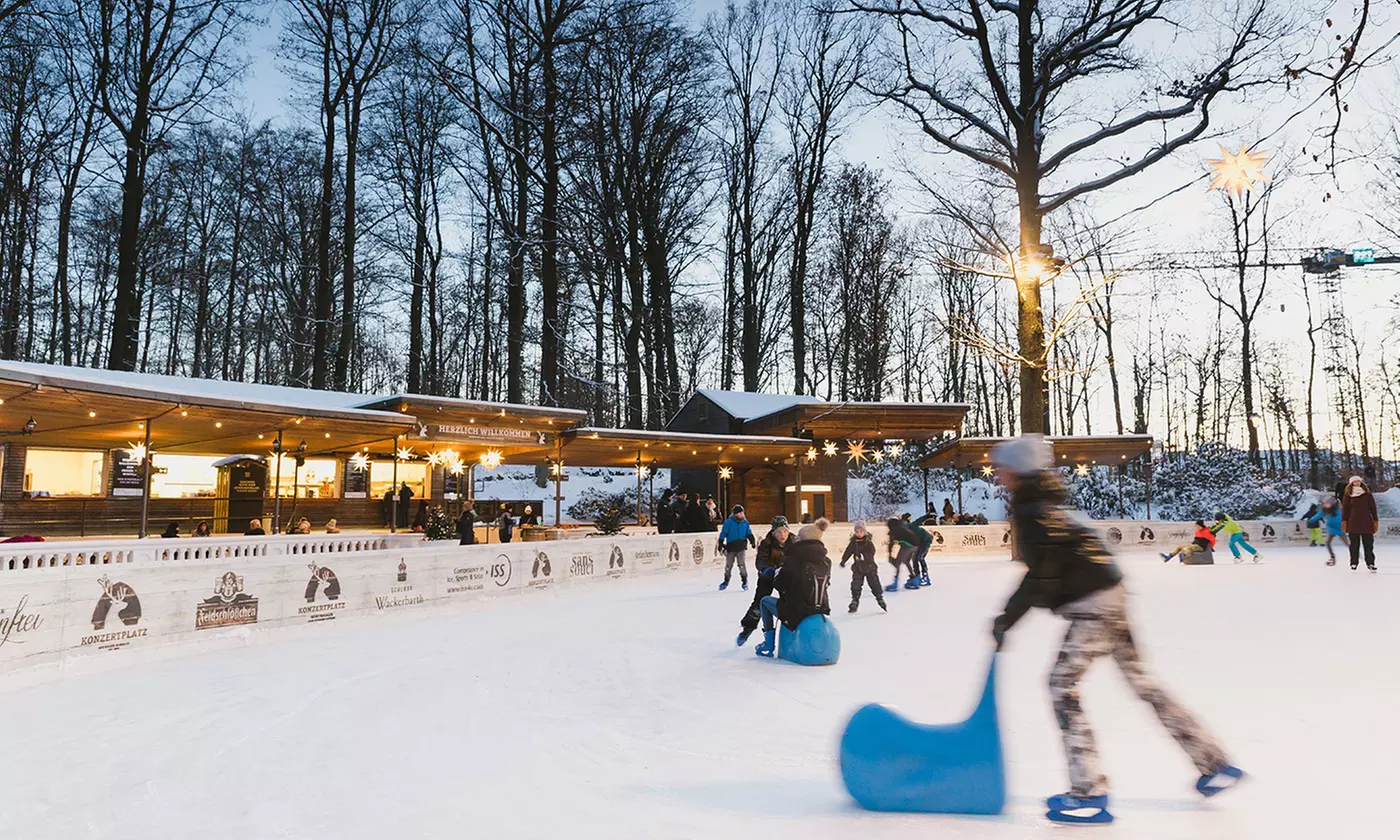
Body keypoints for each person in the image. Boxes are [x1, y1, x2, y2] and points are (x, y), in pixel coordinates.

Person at [988, 435, 1243, 825]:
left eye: (1002, 467)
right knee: (1144, 684)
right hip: (1111, 594)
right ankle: (1215, 763)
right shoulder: (1045, 503)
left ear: (1019, 470)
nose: (998, 475)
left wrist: (1008, 618)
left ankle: (1088, 792)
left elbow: (1041, 575)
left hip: (1093, 606)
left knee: (1061, 687)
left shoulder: (1033, 510)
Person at [753, 523, 832, 657]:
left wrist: (777, 575)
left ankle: (768, 643)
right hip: (819, 609)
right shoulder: (826, 560)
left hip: (796, 611)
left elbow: (780, 584)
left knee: (764, 601)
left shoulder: (794, 558)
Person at [736, 517, 794, 646]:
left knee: (791, 602)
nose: (782, 535)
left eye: (785, 531)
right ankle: (747, 629)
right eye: (779, 532)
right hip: (768, 576)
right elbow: (760, 561)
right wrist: (766, 569)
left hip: (786, 577)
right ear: (773, 532)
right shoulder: (767, 543)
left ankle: (793, 630)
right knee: (759, 602)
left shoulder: (794, 541)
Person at [841, 521, 886, 613]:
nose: (859, 534)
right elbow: (848, 551)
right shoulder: (853, 542)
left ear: (864, 532)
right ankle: (855, 600)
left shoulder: (868, 542)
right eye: (857, 532)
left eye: (861, 531)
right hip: (858, 568)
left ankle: (879, 597)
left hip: (870, 567)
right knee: (856, 584)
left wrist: (862, 556)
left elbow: (872, 553)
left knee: (874, 583)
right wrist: (843, 560)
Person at [1341, 475, 1378, 572]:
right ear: (1351, 483)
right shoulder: (1348, 495)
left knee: (1368, 545)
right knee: (1354, 545)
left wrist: (1375, 520)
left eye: (1358, 481)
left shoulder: (1367, 494)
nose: (1357, 483)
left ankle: (1370, 563)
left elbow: (1373, 508)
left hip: (1366, 522)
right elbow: (1345, 509)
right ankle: (1354, 562)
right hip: (1353, 523)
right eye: (1354, 482)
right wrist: (1344, 521)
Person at [717, 505, 756, 590]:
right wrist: (720, 542)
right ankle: (726, 580)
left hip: (741, 547)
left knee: (741, 564)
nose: (742, 515)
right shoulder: (728, 522)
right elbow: (723, 533)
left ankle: (744, 581)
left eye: (742, 513)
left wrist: (752, 540)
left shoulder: (745, 522)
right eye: (739, 513)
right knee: (729, 565)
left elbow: (748, 532)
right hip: (731, 547)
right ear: (735, 514)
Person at [885, 517, 922, 591]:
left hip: (907, 545)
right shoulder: (902, 527)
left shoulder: (894, 530)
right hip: (915, 545)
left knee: (898, 562)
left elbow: (891, 543)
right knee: (906, 561)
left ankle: (895, 583)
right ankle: (914, 579)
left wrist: (890, 555)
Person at [1308, 498, 1342, 566]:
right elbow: (1318, 515)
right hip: (1331, 529)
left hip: (1338, 528)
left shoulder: (1338, 510)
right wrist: (1311, 520)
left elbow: (1340, 517)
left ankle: (1355, 556)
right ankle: (1332, 557)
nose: (1326, 505)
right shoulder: (1325, 510)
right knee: (1327, 543)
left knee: (1347, 543)